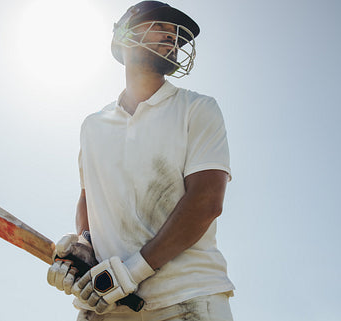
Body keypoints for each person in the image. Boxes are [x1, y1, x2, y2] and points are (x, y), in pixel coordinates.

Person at [47, 1, 235, 320]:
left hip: (187, 296)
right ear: (124, 36)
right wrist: (85, 246)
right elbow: (88, 198)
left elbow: (205, 201)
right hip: (107, 306)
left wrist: (132, 272)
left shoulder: (196, 108)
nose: (173, 39)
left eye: (177, 36)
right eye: (162, 28)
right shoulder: (93, 126)